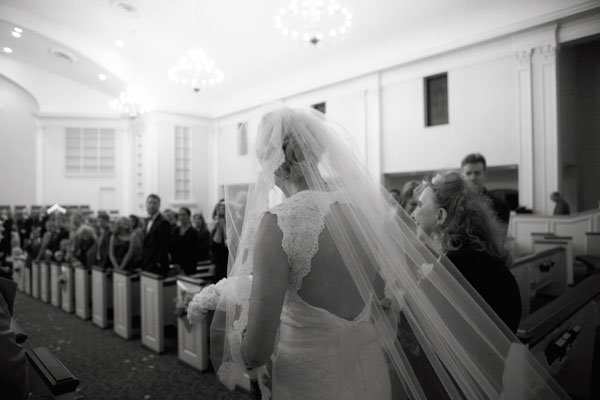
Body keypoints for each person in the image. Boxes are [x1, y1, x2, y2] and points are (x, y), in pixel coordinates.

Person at [194, 107, 567, 400]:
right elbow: (383, 303)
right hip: (371, 376)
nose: (268, 174)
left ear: (281, 158)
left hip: (311, 383)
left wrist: (230, 329)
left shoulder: (277, 224)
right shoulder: (365, 214)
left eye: (265, 161)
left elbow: (257, 350)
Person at [411, 171, 521, 332]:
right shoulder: (474, 252)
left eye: (419, 205)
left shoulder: (458, 264)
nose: (413, 214)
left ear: (440, 216)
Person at [461, 153, 510, 226]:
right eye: (468, 173)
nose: (473, 178)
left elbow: (499, 236)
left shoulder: (500, 206)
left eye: (477, 173)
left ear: (485, 175)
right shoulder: (455, 205)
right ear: (462, 176)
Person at [141, 194, 172, 276]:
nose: (152, 205)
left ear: (159, 205)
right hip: (147, 263)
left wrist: (158, 262)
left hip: (157, 265)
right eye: (150, 203)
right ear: (146, 204)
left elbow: (164, 245)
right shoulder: (147, 220)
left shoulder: (163, 222)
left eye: (154, 203)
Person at [170, 207, 199, 275]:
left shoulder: (193, 232)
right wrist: (175, 264)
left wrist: (184, 269)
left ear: (188, 216)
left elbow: (194, 252)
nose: (181, 217)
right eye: (179, 215)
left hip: (189, 266)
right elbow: (172, 248)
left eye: (183, 214)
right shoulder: (175, 230)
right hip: (176, 266)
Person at [211, 199, 228, 282]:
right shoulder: (216, 227)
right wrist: (219, 226)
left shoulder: (233, 227)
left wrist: (224, 226)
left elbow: (228, 245)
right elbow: (215, 247)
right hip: (219, 264)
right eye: (219, 209)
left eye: (224, 208)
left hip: (228, 264)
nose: (221, 211)